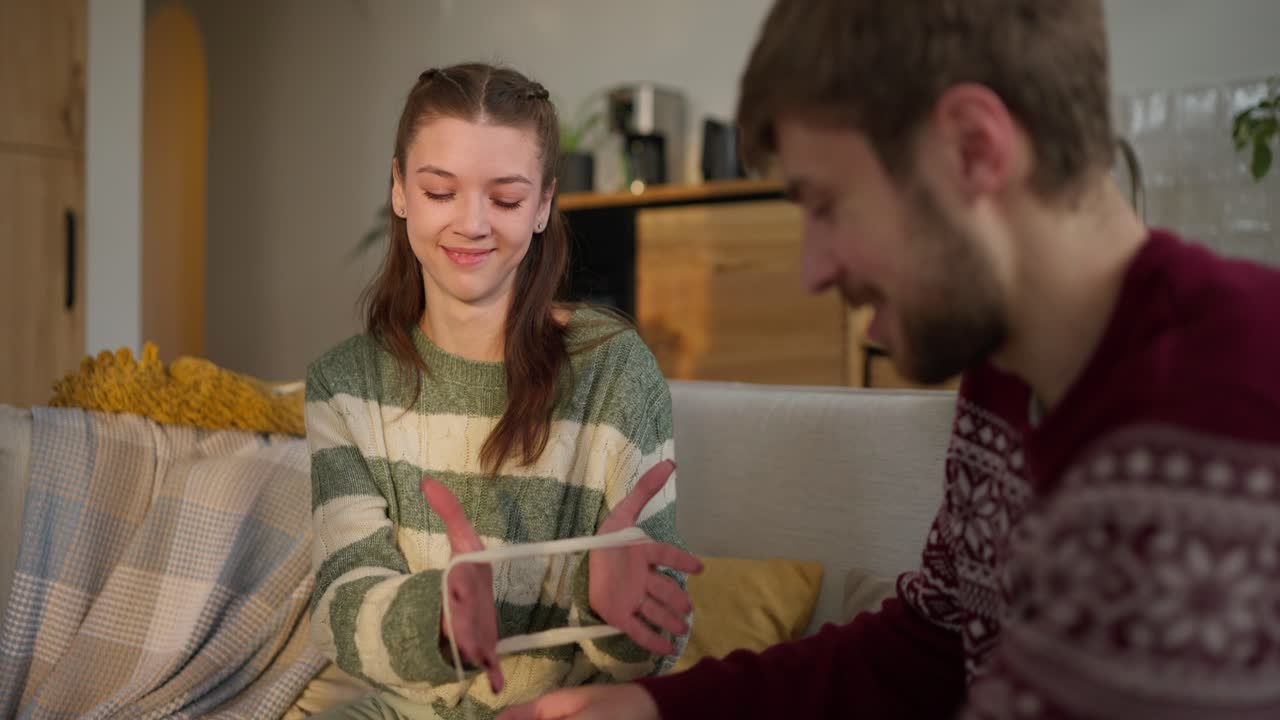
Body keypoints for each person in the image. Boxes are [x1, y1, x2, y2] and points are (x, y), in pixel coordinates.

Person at [498, 1, 1280, 718]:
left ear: (974, 148)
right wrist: (653, 709)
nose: (813, 270)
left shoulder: (1240, 401)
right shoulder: (1004, 377)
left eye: (828, 206)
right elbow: (937, 644)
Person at [304, 62, 700, 720]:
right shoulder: (345, 384)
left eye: (507, 200)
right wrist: (440, 617)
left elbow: (654, 645)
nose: (473, 224)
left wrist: (604, 601)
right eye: (439, 192)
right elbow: (343, 608)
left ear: (544, 204)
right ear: (399, 189)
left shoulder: (614, 371)